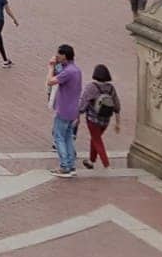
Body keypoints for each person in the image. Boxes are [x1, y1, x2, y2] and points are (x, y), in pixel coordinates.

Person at [48, 44, 83, 177]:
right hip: (73, 109)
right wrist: (57, 65)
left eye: (59, 54)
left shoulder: (68, 72)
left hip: (63, 109)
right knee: (68, 137)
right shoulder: (76, 70)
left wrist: (50, 67)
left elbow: (50, 81)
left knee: (59, 137)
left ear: (64, 56)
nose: (57, 56)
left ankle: (64, 166)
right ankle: (71, 164)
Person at [81, 62, 121, 168]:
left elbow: (83, 104)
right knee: (95, 138)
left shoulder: (91, 87)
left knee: (97, 140)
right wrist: (117, 123)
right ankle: (91, 161)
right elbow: (117, 106)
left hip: (92, 119)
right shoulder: (111, 88)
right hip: (105, 120)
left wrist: (78, 115)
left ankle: (106, 164)